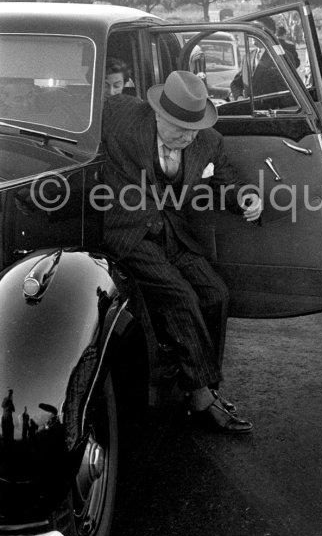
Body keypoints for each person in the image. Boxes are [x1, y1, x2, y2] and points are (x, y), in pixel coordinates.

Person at [101, 70, 262, 432]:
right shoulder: (121, 115)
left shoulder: (207, 141)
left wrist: (246, 198)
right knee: (181, 298)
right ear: (158, 113)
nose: (187, 137)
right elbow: (74, 109)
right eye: (179, 128)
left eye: (194, 128)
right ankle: (202, 396)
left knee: (216, 294)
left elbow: (227, 183)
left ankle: (202, 381)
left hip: (174, 234)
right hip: (129, 233)